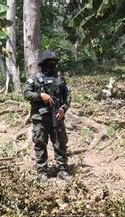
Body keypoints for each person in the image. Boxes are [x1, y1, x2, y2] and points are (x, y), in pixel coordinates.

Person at [23, 50, 72, 181]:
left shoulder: (60, 80)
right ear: (42, 64)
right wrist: (40, 95)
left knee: (60, 143)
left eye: (54, 63)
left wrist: (63, 109)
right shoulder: (34, 79)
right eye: (48, 63)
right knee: (40, 143)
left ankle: (62, 170)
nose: (51, 65)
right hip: (40, 118)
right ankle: (42, 171)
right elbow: (26, 94)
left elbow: (67, 97)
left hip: (57, 117)